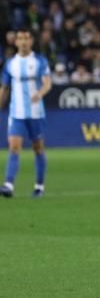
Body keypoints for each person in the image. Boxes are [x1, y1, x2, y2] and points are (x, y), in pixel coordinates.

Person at [1, 31, 51, 198]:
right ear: (16, 42)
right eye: (20, 38)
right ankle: (8, 185)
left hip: (36, 113)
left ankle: (39, 186)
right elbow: (4, 88)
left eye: (27, 38)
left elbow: (47, 83)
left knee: (38, 148)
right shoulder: (10, 64)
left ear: (31, 41)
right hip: (17, 113)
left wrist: (40, 93)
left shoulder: (39, 61)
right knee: (14, 147)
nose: (24, 42)